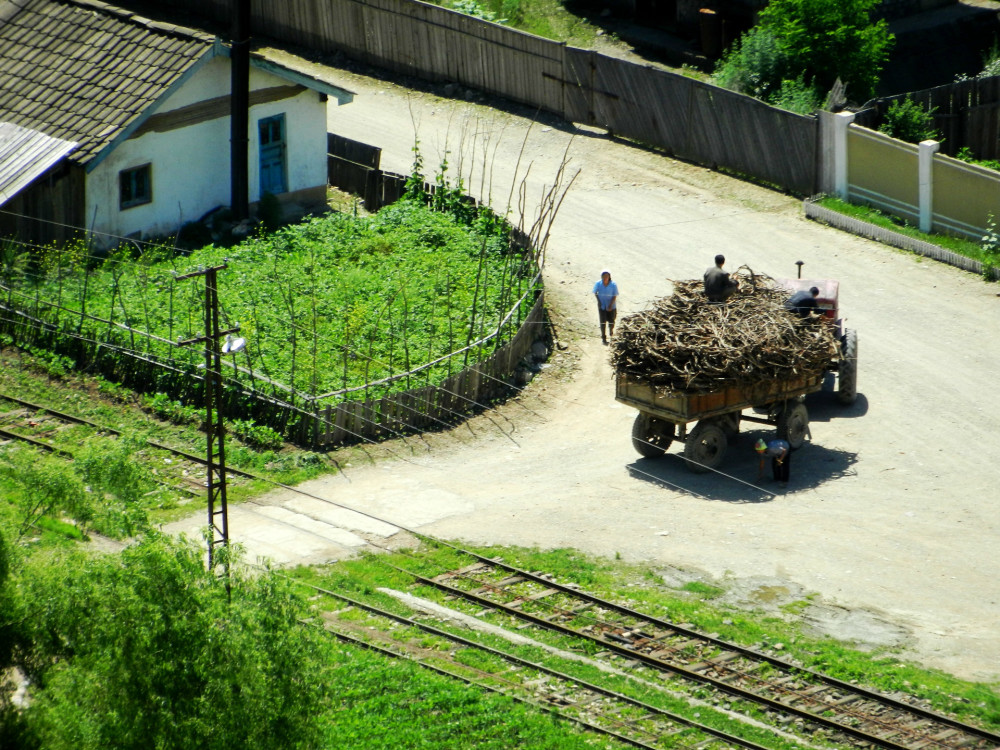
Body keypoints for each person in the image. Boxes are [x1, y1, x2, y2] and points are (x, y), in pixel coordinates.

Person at [593, 269, 619, 343]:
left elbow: (614, 296)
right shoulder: (598, 284)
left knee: (611, 321)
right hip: (602, 306)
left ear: (609, 277)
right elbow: (595, 292)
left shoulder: (613, 285)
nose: (605, 278)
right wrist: (599, 301)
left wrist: (610, 305)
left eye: (607, 276)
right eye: (604, 276)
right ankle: (603, 337)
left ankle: (611, 331)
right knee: (602, 322)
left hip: (611, 306)